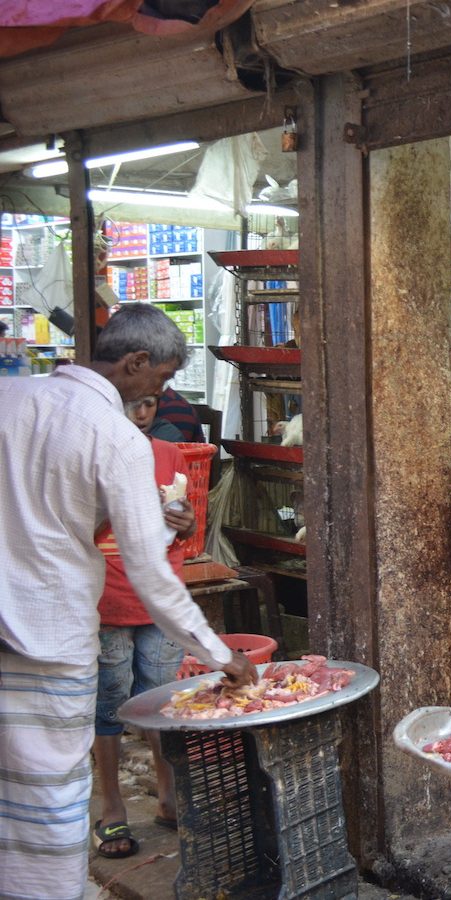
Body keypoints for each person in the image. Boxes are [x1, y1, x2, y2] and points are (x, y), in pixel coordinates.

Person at [0, 303, 256, 899]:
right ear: (135, 362)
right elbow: (152, 574)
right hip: (48, 630)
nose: (160, 394)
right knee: (51, 787)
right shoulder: (114, 435)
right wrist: (221, 656)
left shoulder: (13, 398)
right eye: (161, 379)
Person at [88, 395, 196, 858]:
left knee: (162, 700)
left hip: (159, 599)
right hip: (108, 600)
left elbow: (186, 526)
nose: (140, 413)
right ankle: (113, 808)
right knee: (110, 703)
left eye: (148, 403)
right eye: (130, 403)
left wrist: (187, 521)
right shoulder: (89, 458)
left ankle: (169, 797)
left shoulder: (169, 455)